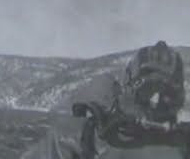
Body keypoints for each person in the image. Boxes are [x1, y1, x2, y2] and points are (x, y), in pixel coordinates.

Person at [20, 41, 190, 159]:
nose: (156, 101)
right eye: (148, 90)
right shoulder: (85, 136)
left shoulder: (182, 141)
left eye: (167, 94)